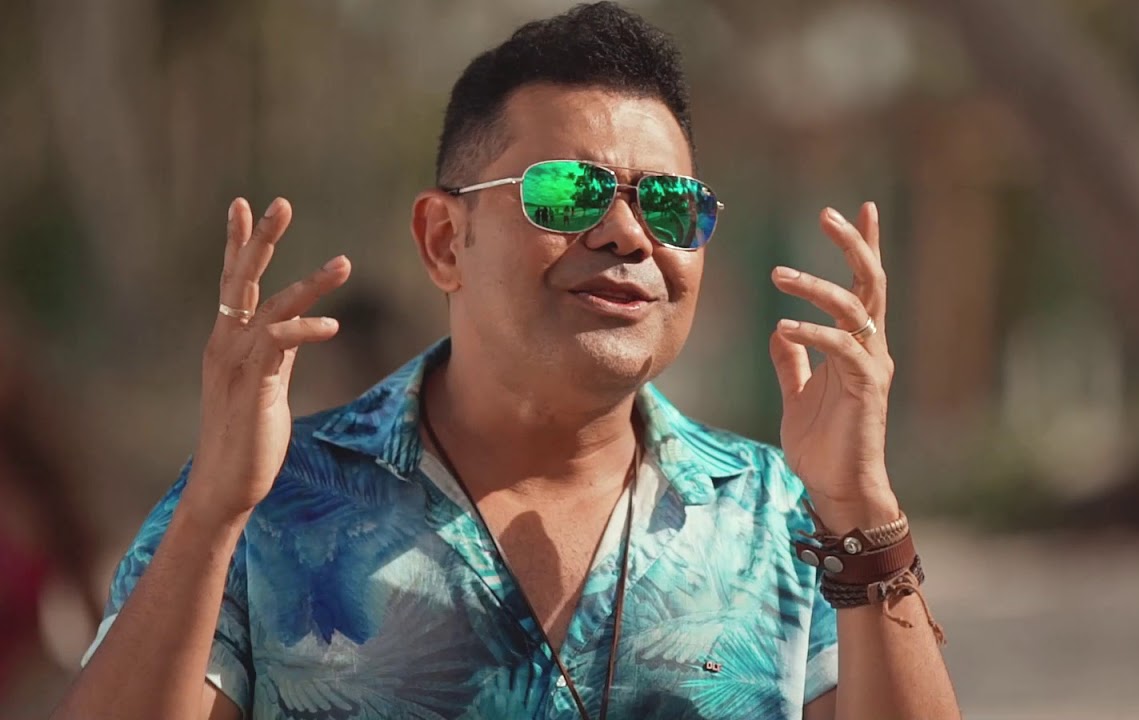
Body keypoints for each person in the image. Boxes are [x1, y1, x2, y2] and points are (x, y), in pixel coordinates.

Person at [54, 3, 958, 719]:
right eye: (568, 193)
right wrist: (212, 515)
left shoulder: (784, 518)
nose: (628, 234)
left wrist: (861, 506)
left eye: (671, 205)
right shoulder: (266, 505)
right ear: (446, 239)